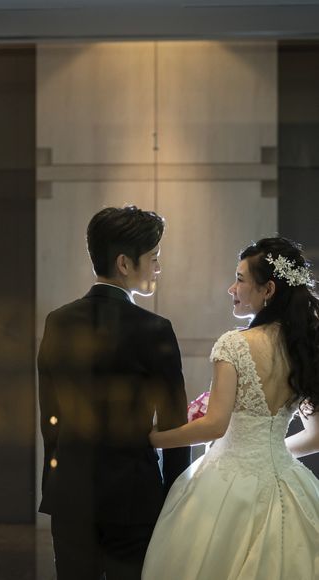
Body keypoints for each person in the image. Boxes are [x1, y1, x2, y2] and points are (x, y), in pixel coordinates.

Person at [142, 236, 319, 580]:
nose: (231, 288)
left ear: (268, 290)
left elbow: (214, 425)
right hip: (287, 481)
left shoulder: (235, 344)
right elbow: (315, 437)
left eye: (239, 279)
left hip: (225, 483)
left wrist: (153, 439)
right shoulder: (307, 348)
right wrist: (270, 452)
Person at [38, 205, 191, 580]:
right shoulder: (155, 329)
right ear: (124, 263)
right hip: (134, 498)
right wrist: (173, 499)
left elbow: (50, 418)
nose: (158, 267)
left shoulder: (58, 322)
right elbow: (174, 425)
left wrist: (55, 483)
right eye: (153, 258)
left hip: (69, 493)